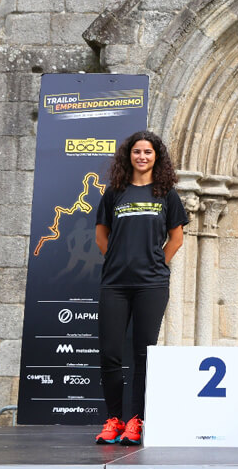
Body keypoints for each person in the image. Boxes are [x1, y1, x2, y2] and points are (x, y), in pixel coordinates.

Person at [93, 131, 189, 445]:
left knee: (143, 355)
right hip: (115, 284)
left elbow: (176, 238)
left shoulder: (167, 194)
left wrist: (156, 264)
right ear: (129, 156)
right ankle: (114, 419)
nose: (142, 157)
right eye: (137, 152)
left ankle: (136, 421)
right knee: (109, 354)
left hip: (152, 285)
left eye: (148, 152)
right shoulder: (114, 193)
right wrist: (120, 259)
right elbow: (100, 236)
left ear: (156, 157)